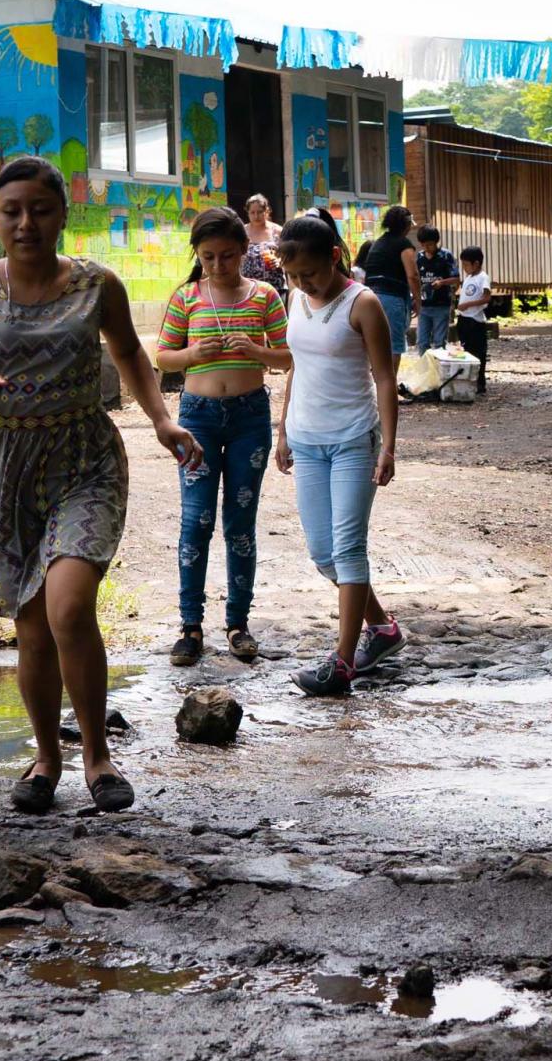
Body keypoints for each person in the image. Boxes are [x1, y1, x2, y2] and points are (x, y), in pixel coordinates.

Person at [0, 158, 202, 813]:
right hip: (6, 465)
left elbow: (131, 354)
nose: (27, 222)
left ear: (62, 215)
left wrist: (163, 420)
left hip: (84, 459)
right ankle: (46, 757)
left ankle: (98, 756)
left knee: (70, 607)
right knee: (30, 627)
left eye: (41, 209)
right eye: (12, 210)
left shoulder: (96, 284)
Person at [276, 214, 404, 696]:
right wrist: (283, 430)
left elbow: (385, 378)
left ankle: (344, 661)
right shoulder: (295, 299)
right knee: (323, 554)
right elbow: (296, 368)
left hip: (353, 439)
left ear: (334, 257)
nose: (302, 283)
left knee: (349, 549)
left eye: (309, 273)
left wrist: (388, 445)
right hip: (306, 440)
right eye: (293, 276)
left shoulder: (363, 304)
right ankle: (384, 630)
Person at [155, 206, 290, 666]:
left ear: (244, 252)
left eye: (228, 257)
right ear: (198, 254)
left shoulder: (265, 295)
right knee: (196, 522)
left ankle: (238, 623)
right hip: (198, 418)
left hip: (251, 416)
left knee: (240, 524)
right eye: (209, 257)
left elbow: (289, 357)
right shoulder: (187, 297)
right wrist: (192, 352)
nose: (218, 266)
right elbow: (162, 358)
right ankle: (190, 626)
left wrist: (256, 351)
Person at [352, 203, 418, 354]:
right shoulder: (404, 245)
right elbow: (412, 275)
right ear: (406, 225)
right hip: (392, 298)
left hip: (370, 297)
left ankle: (376, 377)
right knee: (394, 345)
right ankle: (390, 378)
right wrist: (419, 302)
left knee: (374, 342)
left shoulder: (378, 243)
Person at [453, 246, 493, 395]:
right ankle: (468, 381)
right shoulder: (469, 278)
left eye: (466, 265)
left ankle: (480, 383)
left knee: (479, 352)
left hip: (475, 321)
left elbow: (487, 297)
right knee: (466, 350)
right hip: (464, 319)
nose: (464, 268)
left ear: (476, 264)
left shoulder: (483, 277)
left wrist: (468, 304)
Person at [414, 226, 459, 353]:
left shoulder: (446, 256)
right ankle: (426, 370)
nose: (427, 248)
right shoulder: (420, 257)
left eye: (430, 245)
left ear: (436, 242)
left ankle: (439, 370)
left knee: (439, 342)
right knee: (422, 342)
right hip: (424, 306)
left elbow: (456, 278)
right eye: (424, 245)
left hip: (441, 305)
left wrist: (442, 282)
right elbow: (415, 278)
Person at [240, 192, 286, 294]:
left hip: (275, 287)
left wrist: (279, 262)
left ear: (266, 211)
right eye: (252, 212)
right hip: (248, 288)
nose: (256, 216)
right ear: (247, 212)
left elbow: (288, 255)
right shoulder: (242, 231)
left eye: (260, 212)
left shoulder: (277, 231)